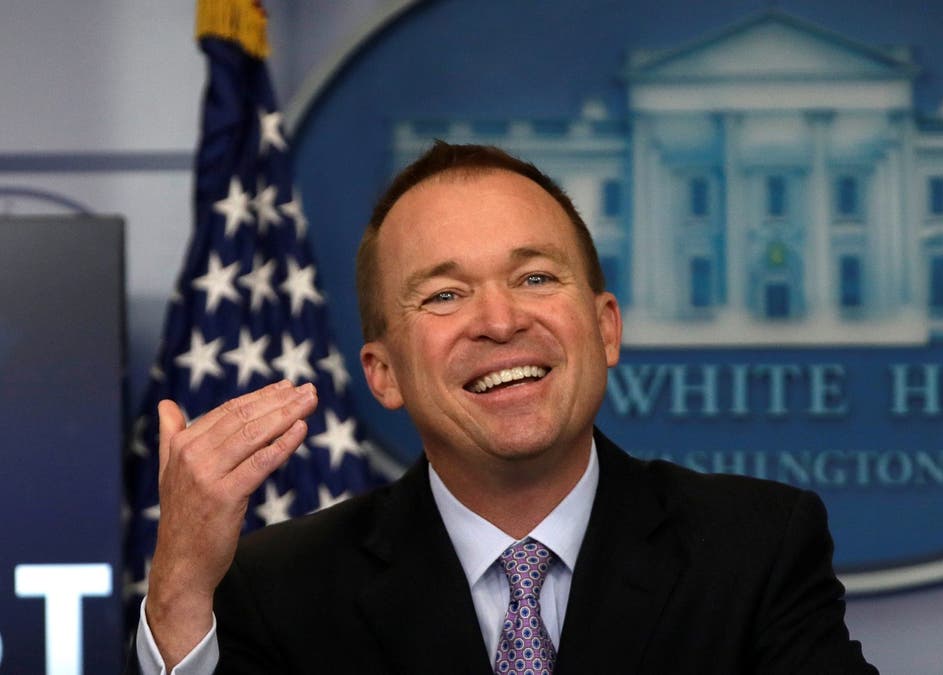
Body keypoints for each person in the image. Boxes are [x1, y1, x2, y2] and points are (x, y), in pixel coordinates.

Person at [133, 142, 877, 674]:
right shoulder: (280, 587)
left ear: (606, 327)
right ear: (383, 372)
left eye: (535, 277)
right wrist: (178, 591)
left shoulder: (755, 548)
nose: (499, 320)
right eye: (445, 294)